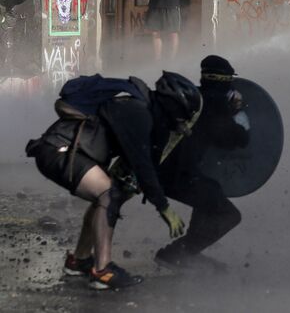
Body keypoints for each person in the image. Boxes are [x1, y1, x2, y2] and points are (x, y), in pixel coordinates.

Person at [25, 72, 200, 290]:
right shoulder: (137, 113)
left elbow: (144, 160)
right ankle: (103, 271)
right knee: (108, 194)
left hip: (64, 151)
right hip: (59, 151)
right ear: (172, 105)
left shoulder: (142, 109)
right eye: (181, 116)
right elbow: (142, 163)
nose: (180, 123)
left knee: (106, 198)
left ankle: (79, 261)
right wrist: (164, 207)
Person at [154, 55, 250, 268]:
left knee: (210, 193)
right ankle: (176, 254)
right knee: (229, 215)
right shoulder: (215, 106)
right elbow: (240, 139)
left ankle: (188, 254)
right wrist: (237, 110)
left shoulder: (193, 97)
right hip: (176, 175)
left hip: (163, 170)